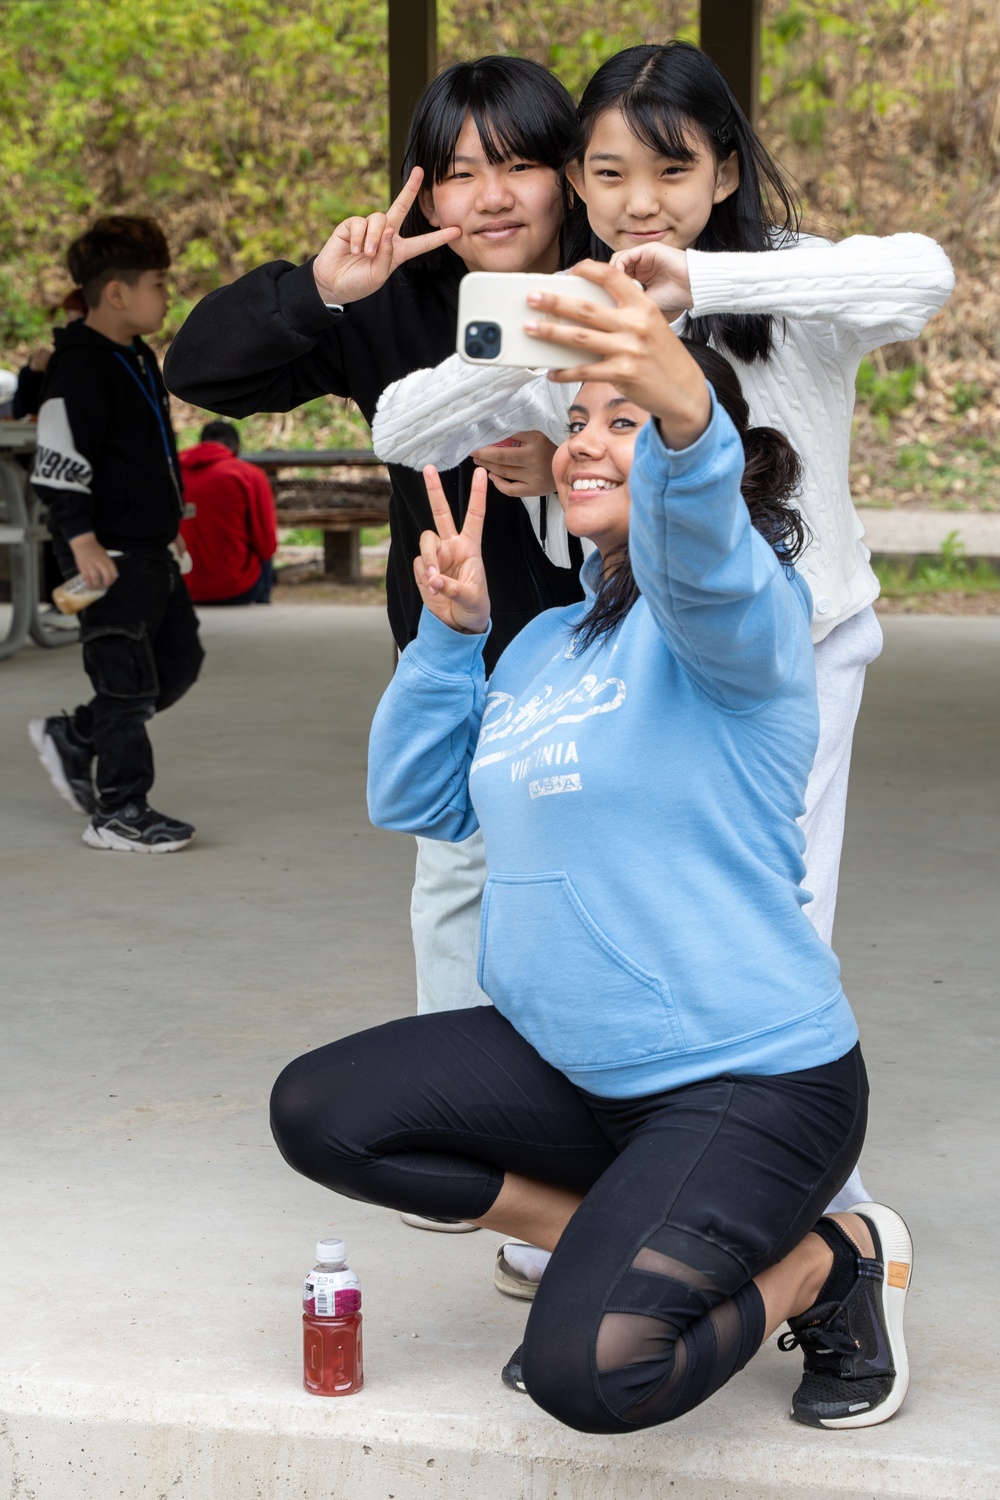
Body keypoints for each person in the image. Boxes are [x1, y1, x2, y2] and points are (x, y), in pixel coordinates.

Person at [271, 263, 913, 1434]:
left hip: (751, 1081)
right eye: (570, 422)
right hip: (578, 1075)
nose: (579, 443)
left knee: (592, 1374)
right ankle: (598, 1239)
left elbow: (698, 554)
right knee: (321, 1110)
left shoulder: (742, 619)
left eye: (618, 422)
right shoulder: (545, 644)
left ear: (691, 449)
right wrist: (450, 641)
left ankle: (832, 1261)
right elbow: (421, 801)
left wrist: (679, 408)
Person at [371, 40, 954, 1218]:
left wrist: (702, 287)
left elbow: (924, 276)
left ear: (726, 174)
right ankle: (629, 1166)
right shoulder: (580, 308)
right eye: (609, 174)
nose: (642, 203)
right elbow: (399, 424)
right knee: (626, 903)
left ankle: (801, 1194)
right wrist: (538, 337)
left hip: (791, 645)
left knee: (777, 907)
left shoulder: (788, 286)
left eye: (673, 171)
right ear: (578, 188)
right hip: (631, 645)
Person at [164, 57, 585, 1024]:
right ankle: (470, 1100)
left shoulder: (619, 283)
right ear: (425, 188)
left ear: (567, 173)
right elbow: (201, 371)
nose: (490, 197)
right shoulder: (394, 293)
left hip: (613, 646)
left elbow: (718, 443)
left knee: (612, 870)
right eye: (459, 172)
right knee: (459, 875)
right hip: (458, 651)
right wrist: (320, 287)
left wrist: (567, 454)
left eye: (518, 165)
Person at [29, 215, 203, 852]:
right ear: (118, 293)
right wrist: (79, 540)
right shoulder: (78, 368)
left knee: (178, 662)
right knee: (126, 686)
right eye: (159, 283)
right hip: (105, 556)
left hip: (151, 547)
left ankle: (76, 735)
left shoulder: (136, 358)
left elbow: (155, 449)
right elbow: (57, 456)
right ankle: (119, 811)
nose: (167, 295)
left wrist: (173, 520)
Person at [178, 420, 277, 605]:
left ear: (201, 442)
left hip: (181, 588)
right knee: (266, 557)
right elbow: (266, 544)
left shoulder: (173, 472)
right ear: (237, 448)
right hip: (237, 589)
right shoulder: (249, 474)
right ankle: (262, 608)